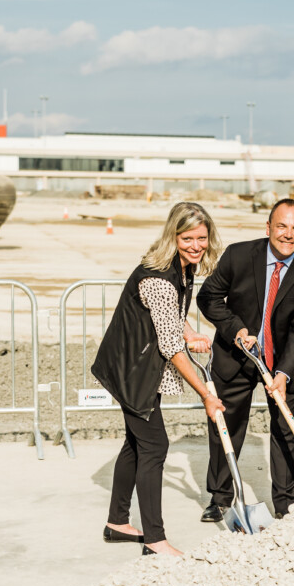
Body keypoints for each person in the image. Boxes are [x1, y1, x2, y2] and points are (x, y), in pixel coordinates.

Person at [92, 202, 225, 556]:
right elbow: (169, 346)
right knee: (155, 446)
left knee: (136, 444)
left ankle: (117, 522)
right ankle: (155, 539)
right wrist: (206, 396)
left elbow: (170, 318)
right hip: (133, 370)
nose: (196, 245)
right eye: (187, 238)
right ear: (173, 236)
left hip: (134, 363)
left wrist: (191, 329)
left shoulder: (182, 268)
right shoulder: (159, 278)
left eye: (201, 237)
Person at [196, 198, 294, 520]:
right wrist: (235, 329)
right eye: (281, 226)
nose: (288, 234)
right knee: (228, 426)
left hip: (283, 361)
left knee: (285, 428)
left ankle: (285, 503)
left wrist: (283, 373)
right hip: (234, 355)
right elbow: (208, 297)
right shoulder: (239, 255)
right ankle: (221, 496)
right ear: (268, 227)